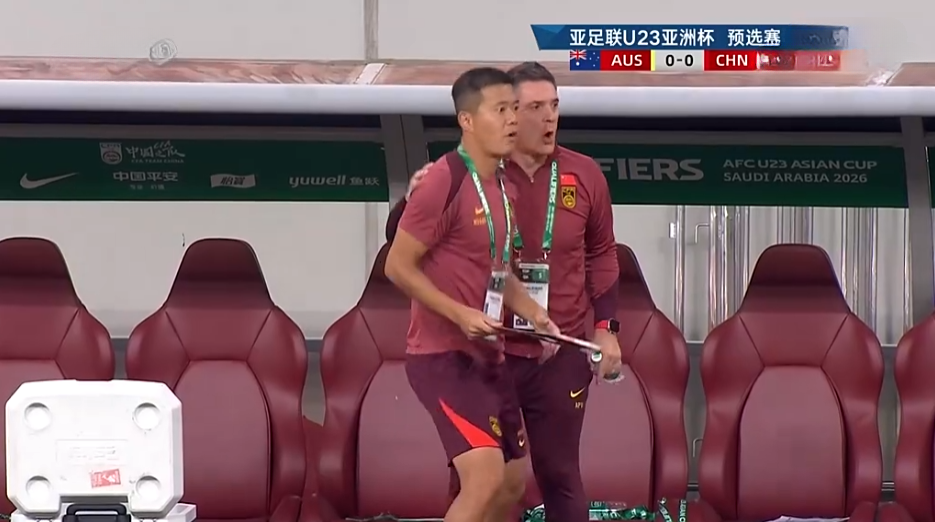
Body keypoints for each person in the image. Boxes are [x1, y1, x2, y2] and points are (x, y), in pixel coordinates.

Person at [385, 62, 622, 522]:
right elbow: (400, 256)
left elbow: (507, 269)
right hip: (465, 352)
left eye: (552, 106)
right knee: (480, 480)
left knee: (527, 478)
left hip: (534, 351)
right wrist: (460, 312)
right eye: (520, 109)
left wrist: (551, 315)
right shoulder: (457, 176)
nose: (541, 118)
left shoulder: (532, 182)